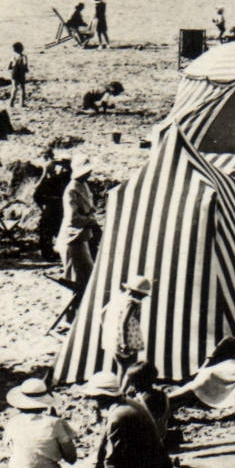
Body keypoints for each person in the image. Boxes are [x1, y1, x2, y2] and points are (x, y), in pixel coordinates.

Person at [77, 371, 173, 468]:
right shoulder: (125, 404)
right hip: (155, 463)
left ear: (103, 397)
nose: (92, 402)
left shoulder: (118, 416)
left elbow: (113, 456)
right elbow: (105, 441)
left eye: (93, 397)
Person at [57, 155, 99, 293]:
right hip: (72, 239)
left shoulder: (84, 186)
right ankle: (72, 311)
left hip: (81, 238)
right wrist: (91, 220)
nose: (89, 173)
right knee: (75, 280)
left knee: (86, 277)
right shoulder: (71, 190)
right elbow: (72, 219)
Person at [100, 275, 153, 376]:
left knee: (121, 367)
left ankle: (121, 389)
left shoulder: (119, 297)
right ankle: (123, 390)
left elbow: (102, 313)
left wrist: (107, 329)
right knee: (127, 369)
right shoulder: (132, 303)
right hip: (126, 339)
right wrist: (124, 343)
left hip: (113, 337)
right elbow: (124, 322)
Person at [7, 42, 29, 107]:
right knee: (22, 88)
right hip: (21, 72)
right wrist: (26, 69)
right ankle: (22, 103)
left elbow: (9, 66)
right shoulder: (24, 56)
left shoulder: (13, 56)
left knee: (14, 88)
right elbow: (25, 65)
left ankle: (11, 103)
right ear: (21, 49)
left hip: (14, 72)